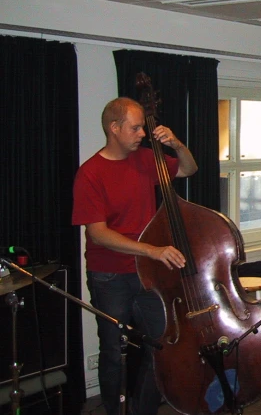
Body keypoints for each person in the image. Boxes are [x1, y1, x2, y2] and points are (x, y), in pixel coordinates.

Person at [72, 97, 198, 415]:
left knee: (160, 342)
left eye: (143, 125)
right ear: (114, 128)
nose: (143, 132)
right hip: (109, 275)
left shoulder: (145, 159)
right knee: (113, 350)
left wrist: (177, 144)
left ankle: (144, 410)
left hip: (146, 273)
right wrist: (152, 250)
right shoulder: (90, 173)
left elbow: (189, 168)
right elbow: (97, 233)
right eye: (136, 127)